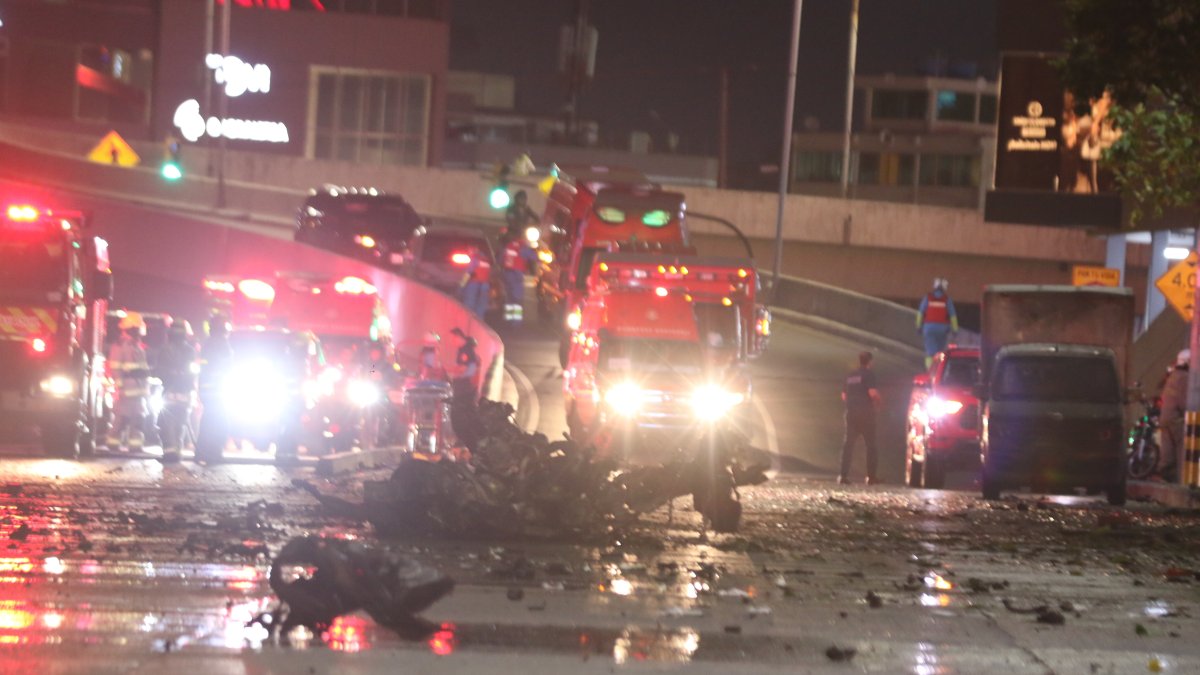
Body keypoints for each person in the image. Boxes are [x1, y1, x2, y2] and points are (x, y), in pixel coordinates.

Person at [156, 319, 199, 462]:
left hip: (170, 393)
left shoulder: (165, 349)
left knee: (167, 424)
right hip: (185, 394)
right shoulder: (191, 351)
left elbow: (160, 371)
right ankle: (177, 452)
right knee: (180, 424)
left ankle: (170, 453)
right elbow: (193, 373)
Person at [107, 312, 150, 451]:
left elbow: (142, 368)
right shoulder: (121, 345)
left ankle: (135, 445)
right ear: (131, 328)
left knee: (138, 419)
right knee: (122, 418)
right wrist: (120, 387)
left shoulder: (136, 345)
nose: (140, 332)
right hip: (127, 389)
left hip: (138, 390)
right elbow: (115, 367)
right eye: (137, 328)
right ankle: (113, 443)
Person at [195, 316, 234, 463]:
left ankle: (203, 452)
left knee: (209, 421)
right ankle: (213, 453)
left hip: (209, 390)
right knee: (219, 422)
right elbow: (224, 367)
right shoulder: (220, 344)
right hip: (217, 391)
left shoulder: (209, 344)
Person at [839, 351, 881, 485]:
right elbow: (872, 393)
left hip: (851, 413)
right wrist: (879, 402)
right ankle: (871, 477)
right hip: (866, 414)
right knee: (871, 446)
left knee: (848, 445)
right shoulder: (869, 374)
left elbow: (844, 396)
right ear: (870, 362)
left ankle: (843, 476)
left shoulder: (850, 375)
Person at [1158, 349, 1189, 481]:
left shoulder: (1172, 375)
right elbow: (1184, 402)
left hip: (1165, 417)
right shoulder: (1185, 377)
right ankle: (1183, 479)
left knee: (1168, 451)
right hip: (1177, 419)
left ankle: (1166, 475)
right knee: (1182, 449)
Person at [916, 278, 959, 369]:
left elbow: (920, 313)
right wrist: (955, 330)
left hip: (929, 329)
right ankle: (939, 370)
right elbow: (953, 316)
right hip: (942, 330)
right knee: (940, 352)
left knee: (930, 353)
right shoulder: (947, 300)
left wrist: (918, 326)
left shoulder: (928, 298)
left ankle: (930, 371)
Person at [500, 230, 537, 324]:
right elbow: (534, 257)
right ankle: (515, 323)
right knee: (517, 299)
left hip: (507, 274)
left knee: (509, 298)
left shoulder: (509, 246)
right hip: (516, 275)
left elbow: (501, 258)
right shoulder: (522, 247)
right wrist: (534, 249)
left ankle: (509, 320)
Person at [449, 327, 481, 404]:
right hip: (466, 385)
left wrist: (448, 370)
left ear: (458, 337)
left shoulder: (466, 351)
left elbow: (463, 369)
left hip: (465, 386)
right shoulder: (464, 349)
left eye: (453, 339)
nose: (452, 342)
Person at [460, 246, 492, 318]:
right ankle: (479, 320)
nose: (469, 254)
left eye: (469, 252)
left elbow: (468, 274)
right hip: (485, 285)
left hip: (474, 284)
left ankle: (468, 319)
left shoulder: (475, 259)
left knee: (469, 303)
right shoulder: (486, 260)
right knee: (481, 304)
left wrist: (461, 286)